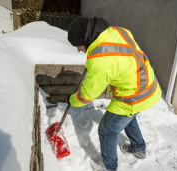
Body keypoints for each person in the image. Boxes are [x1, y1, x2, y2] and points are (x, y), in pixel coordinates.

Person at [67, 16, 161, 171]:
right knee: (129, 118)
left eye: (78, 45)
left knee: (106, 130)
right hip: (149, 87)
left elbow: (87, 95)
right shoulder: (117, 31)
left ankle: (109, 167)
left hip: (133, 96)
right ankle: (139, 148)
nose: (78, 49)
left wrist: (71, 100)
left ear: (86, 38)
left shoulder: (100, 60)